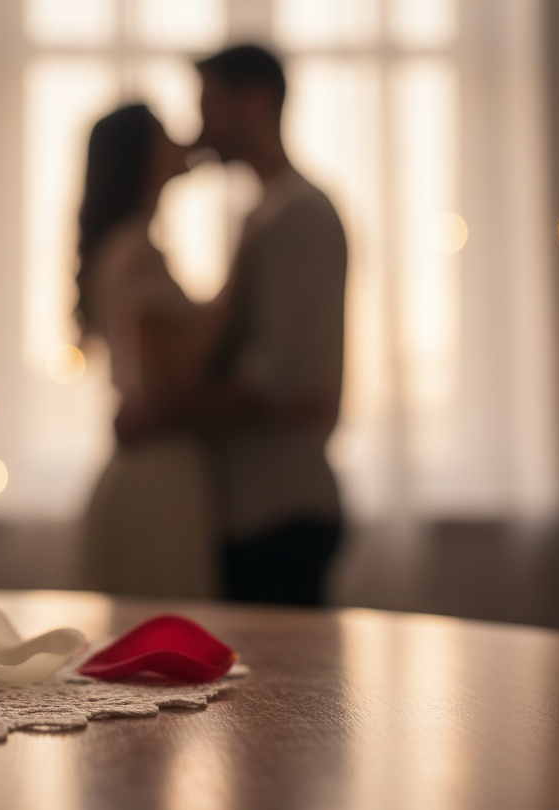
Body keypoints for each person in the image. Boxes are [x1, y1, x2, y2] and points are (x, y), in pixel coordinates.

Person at [188, 44, 349, 605]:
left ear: (255, 102)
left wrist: (164, 416)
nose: (200, 127)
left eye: (209, 106)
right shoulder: (265, 212)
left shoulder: (299, 214)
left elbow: (273, 378)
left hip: (280, 507)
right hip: (258, 507)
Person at [75, 104, 230, 598]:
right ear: (140, 155)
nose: (180, 141)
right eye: (163, 133)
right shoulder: (138, 252)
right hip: (160, 473)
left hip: (142, 469)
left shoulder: (118, 248)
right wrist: (235, 292)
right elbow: (163, 378)